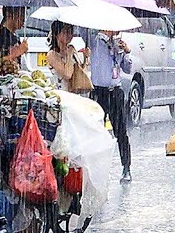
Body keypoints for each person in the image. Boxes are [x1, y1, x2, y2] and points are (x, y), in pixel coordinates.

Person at [89, 28, 133, 182]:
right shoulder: (94, 41)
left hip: (115, 91)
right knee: (95, 131)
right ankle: (95, 169)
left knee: (120, 131)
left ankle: (126, 167)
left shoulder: (117, 45)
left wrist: (126, 52)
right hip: (99, 92)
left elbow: (127, 69)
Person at [45, 21, 87, 92]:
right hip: (62, 93)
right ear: (56, 34)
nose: (69, 35)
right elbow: (67, 74)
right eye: (65, 32)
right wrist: (69, 55)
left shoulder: (71, 48)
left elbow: (80, 70)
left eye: (71, 32)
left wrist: (86, 57)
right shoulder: (52, 54)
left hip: (74, 91)